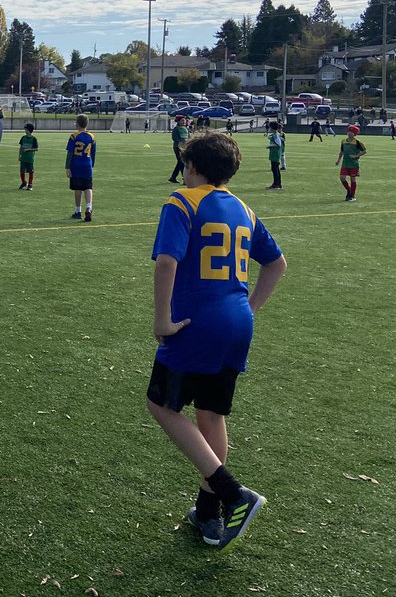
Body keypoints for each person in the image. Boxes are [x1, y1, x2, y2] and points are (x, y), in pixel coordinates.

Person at [145, 130, 287, 552]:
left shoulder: (181, 201)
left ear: (191, 167)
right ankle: (209, 515)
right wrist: (249, 309)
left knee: (161, 405)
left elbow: (167, 261)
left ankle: (232, 493)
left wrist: (162, 319)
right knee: (211, 415)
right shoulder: (244, 209)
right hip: (236, 324)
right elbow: (277, 265)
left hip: (195, 325)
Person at [66, 113, 96, 220]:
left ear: (77, 124)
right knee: (88, 187)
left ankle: (77, 211)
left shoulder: (74, 136)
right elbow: (93, 153)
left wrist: (67, 167)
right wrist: (91, 165)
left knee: (78, 189)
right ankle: (89, 207)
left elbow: (70, 153)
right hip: (87, 165)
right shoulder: (92, 136)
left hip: (76, 165)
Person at [336, 124, 367, 202]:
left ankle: (352, 195)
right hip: (345, 163)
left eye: (352, 132)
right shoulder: (343, 141)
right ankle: (349, 190)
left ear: (355, 133)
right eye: (349, 131)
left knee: (352, 179)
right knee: (342, 177)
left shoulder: (357, 142)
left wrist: (356, 156)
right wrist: (338, 160)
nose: (350, 133)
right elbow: (342, 151)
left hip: (353, 164)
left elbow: (364, 151)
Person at [169, 115, 189, 184]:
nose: (184, 122)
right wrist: (182, 141)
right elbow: (175, 138)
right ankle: (184, 178)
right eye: (182, 120)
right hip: (178, 147)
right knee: (181, 162)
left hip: (184, 148)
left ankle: (173, 177)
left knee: (180, 162)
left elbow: (188, 137)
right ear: (178, 121)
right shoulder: (176, 129)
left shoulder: (186, 129)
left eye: (184, 120)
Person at [18, 122, 39, 190]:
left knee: (31, 171)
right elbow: (21, 147)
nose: (25, 131)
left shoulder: (33, 139)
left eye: (26, 129)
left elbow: (36, 148)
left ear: (29, 130)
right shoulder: (23, 138)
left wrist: (28, 149)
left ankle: (30, 184)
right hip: (23, 158)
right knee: (22, 171)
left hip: (30, 158)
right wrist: (19, 155)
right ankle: (24, 182)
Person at [266, 121, 284, 190]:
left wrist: (270, 146)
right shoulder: (275, 134)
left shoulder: (276, 135)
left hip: (275, 155)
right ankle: (276, 184)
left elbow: (278, 144)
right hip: (274, 154)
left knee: (275, 169)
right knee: (275, 169)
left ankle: (277, 184)